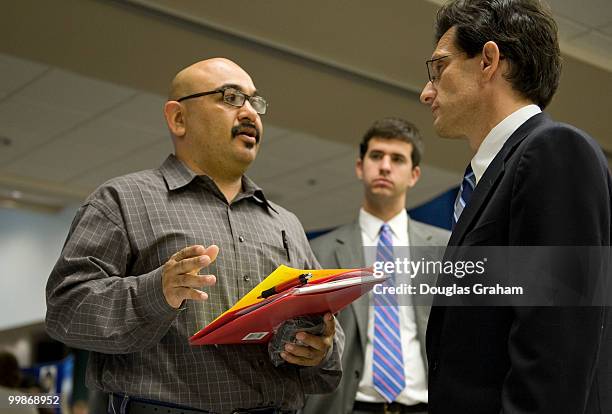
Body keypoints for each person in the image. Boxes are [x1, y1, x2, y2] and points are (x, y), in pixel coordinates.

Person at [45, 58, 344, 414]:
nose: (250, 113)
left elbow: (328, 339)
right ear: (178, 118)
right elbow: (66, 310)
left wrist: (319, 348)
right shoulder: (122, 201)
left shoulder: (287, 223)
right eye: (231, 97)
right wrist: (157, 292)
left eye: (255, 101)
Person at [419, 1, 612, 413]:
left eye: (438, 68)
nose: (426, 91)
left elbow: (556, 349)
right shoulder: (495, 175)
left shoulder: (554, 150)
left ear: (488, 60)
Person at [302, 118, 449, 414]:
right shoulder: (319, 252)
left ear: (414, 174)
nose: (385, 166)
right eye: (376, 156)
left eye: (397, 159)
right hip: (349, 406)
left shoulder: (447, 249)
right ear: (360, 167)